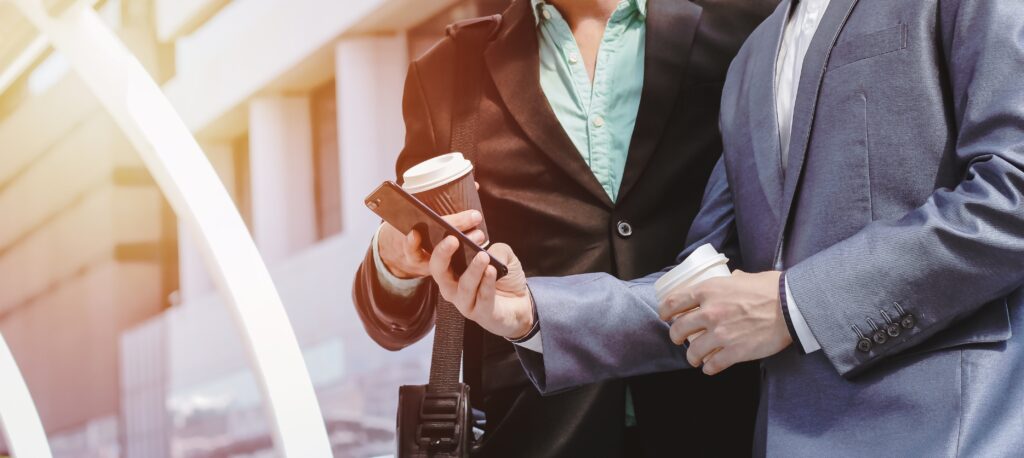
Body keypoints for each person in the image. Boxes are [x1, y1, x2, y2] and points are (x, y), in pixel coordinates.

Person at [428, 0, 1024, 455]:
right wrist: (533, 314)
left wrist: (795, 305)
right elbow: (706, 291)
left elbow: (1013, 196)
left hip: (954, 434)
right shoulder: (750, 61)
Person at [352, 0, 777, 455]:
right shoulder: (449, 72)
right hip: (535, 432)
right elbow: (392, 324)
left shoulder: (747, 27)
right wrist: (393, 259)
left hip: (730, 415)